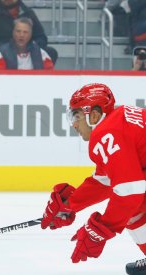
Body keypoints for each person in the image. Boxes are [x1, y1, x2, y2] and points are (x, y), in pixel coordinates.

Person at [40, 83, 146, 275]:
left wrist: (100, 230)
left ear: (94, 115)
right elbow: (106, 180)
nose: (73, 124)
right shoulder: (118, 120)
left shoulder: (106, 133)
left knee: (133, 208)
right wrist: (70, 204)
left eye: (76, 116)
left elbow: (130, 190)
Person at [0, 0, 58, 64]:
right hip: (3, 50)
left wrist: (30, 47)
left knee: (51, 52)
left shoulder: (27, 13)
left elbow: (41, 37)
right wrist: (8, 48)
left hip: (28, 51)